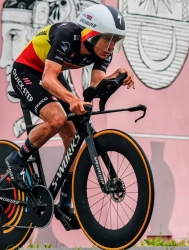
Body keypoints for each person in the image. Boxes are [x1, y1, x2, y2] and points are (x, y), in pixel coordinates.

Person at [4, 3, 135, 228]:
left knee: (73, 134)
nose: (111, 46)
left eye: (116, 40)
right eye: (108, 39)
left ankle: (65, 202)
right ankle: (16, 160)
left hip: (51, 73)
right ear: (92, 34)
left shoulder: (104, 52)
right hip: (28, 70)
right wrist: (72, 99)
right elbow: (47, 79)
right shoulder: (67, 35)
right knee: (57, 118)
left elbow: (95, 84)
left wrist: (117, 77)